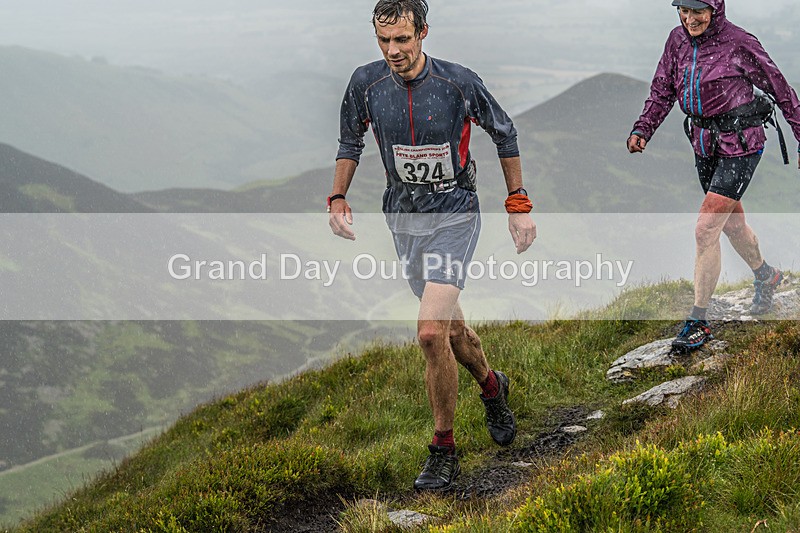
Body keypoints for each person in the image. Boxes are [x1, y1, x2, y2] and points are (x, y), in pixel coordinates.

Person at [328, 0, 536, 490]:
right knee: (451, 332)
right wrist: (337, 197)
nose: (394, 50)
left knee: (427, 333)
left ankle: (444, 449)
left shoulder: (457, 82)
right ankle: (491, 384)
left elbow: (503, 133)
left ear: (423, 32)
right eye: (384, 41)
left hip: (454, 213)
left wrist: (518, 202)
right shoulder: (365, 83)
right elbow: (349, 142)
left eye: (403, 39)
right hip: (403, 219)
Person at [628, 0, 800, 352]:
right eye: (683, 11)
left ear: (715, 8)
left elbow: (781, 90)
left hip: (741, 145)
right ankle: (767, 275)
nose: (690, 19)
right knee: (731, 225)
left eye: (698, 11)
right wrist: (644, 128)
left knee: (706, 227)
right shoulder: (676, 40)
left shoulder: (739, 42)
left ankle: (699, 320)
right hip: (704, 144)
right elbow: (663, 89)